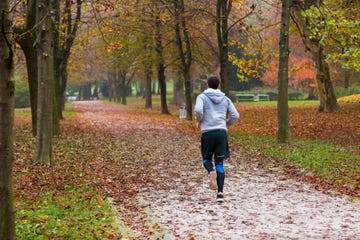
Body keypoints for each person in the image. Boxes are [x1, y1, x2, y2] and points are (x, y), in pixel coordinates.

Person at [194, 75, 239, 202]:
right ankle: (220, 193)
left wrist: (200, 120)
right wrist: (226, 124)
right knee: (220, 163)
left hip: (207, 132)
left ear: (207, 85)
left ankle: (210, 171)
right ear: (218, 85)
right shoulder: (225, 99)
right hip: (221, 133)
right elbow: (235, 115)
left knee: (206, 159)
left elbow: (198, 110)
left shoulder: (202, 97)